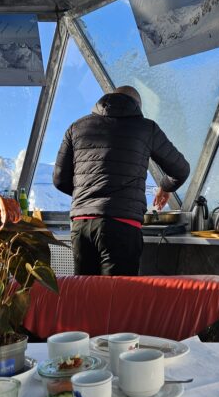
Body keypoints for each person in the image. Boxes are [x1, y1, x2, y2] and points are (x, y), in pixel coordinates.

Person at [53, 85, 189, 276]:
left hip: (82, 225)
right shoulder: (146, 127)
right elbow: (181, 169)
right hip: (121, 226)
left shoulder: (76, 128)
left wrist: (88, 193)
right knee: (117, 300)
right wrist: (165, 187)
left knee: (84, 299)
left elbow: (59, 179)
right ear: (137, 106)